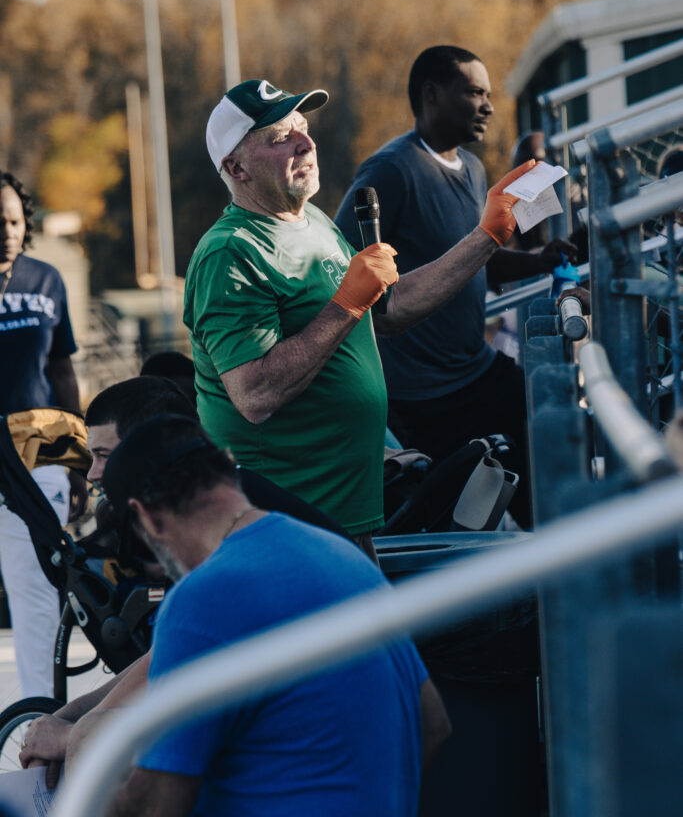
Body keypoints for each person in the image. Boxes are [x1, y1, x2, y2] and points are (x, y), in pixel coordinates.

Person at [184, 78, 534, 548]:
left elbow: (389, 308)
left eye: (303, 128)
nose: (305, 143)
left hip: (346, 510)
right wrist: (346, 304)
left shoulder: (313, 221)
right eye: (281, 137)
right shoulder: (229, 252)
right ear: (236, 167)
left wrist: (487, 236)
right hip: (288, 525)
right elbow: (256, 393)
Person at [99, 413, 451, 817]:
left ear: (147, 517)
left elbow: (156, 804)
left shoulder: (202, 597)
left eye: (140, 547)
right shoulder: (342, 554)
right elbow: (433, 723)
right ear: (226, 469)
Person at [20, 374, 352, 786]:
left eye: (104, 455)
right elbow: (172, 654)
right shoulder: (248, 509)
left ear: (148, 446)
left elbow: (172, 681)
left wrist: (75, 733)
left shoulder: (221, 556)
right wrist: (71, 717)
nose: (92, 474)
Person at [334, 47, 577, 527]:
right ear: (432, 94)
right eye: (474, 93)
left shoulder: (473, 168)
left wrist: (538, 260)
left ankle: (558, 557)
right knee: (451, 520)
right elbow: (339, 264)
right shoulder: (390, 170)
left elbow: (471, 258)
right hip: (420, 396)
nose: (488, 106)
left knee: (547, 428)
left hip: (475, 370)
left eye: (488, 94)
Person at [0, 170, 85, 697]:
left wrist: (78, 464)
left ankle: (41, 720)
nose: (7, 232)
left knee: (34, 591)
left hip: (37, 450)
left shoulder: (45, 280)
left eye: (14, 221)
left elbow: (62, 372)